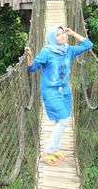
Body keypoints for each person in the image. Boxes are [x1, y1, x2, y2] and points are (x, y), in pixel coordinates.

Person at [25, 26, 93, 166]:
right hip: (50, 91)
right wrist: (30, 56)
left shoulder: (68, 50)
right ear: (51, 38)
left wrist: (72, 33)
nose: (62, 36)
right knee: (63, 119)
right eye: (58, 35)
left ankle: (55, 149)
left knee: (61, 120)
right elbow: (32, 69)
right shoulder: (46, 51)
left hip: (65, 90)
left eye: (63, 33)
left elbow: (88, 44)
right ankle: (47, 151)